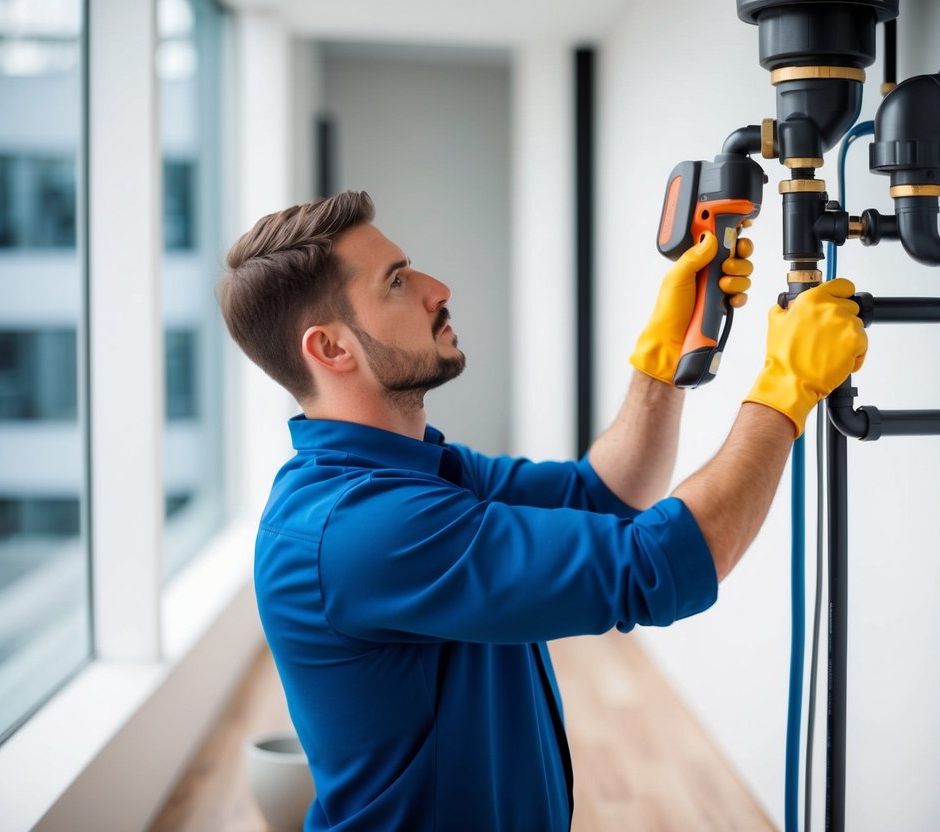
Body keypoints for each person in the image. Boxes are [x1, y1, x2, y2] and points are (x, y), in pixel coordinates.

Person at [217, 190, 867, 831]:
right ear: (331, 349)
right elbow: (662, 563)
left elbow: (604, 493)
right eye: (396, 283)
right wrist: (783, 391)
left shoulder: (411, 472)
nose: (437, 287)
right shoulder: (363, 530)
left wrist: (662, 359)